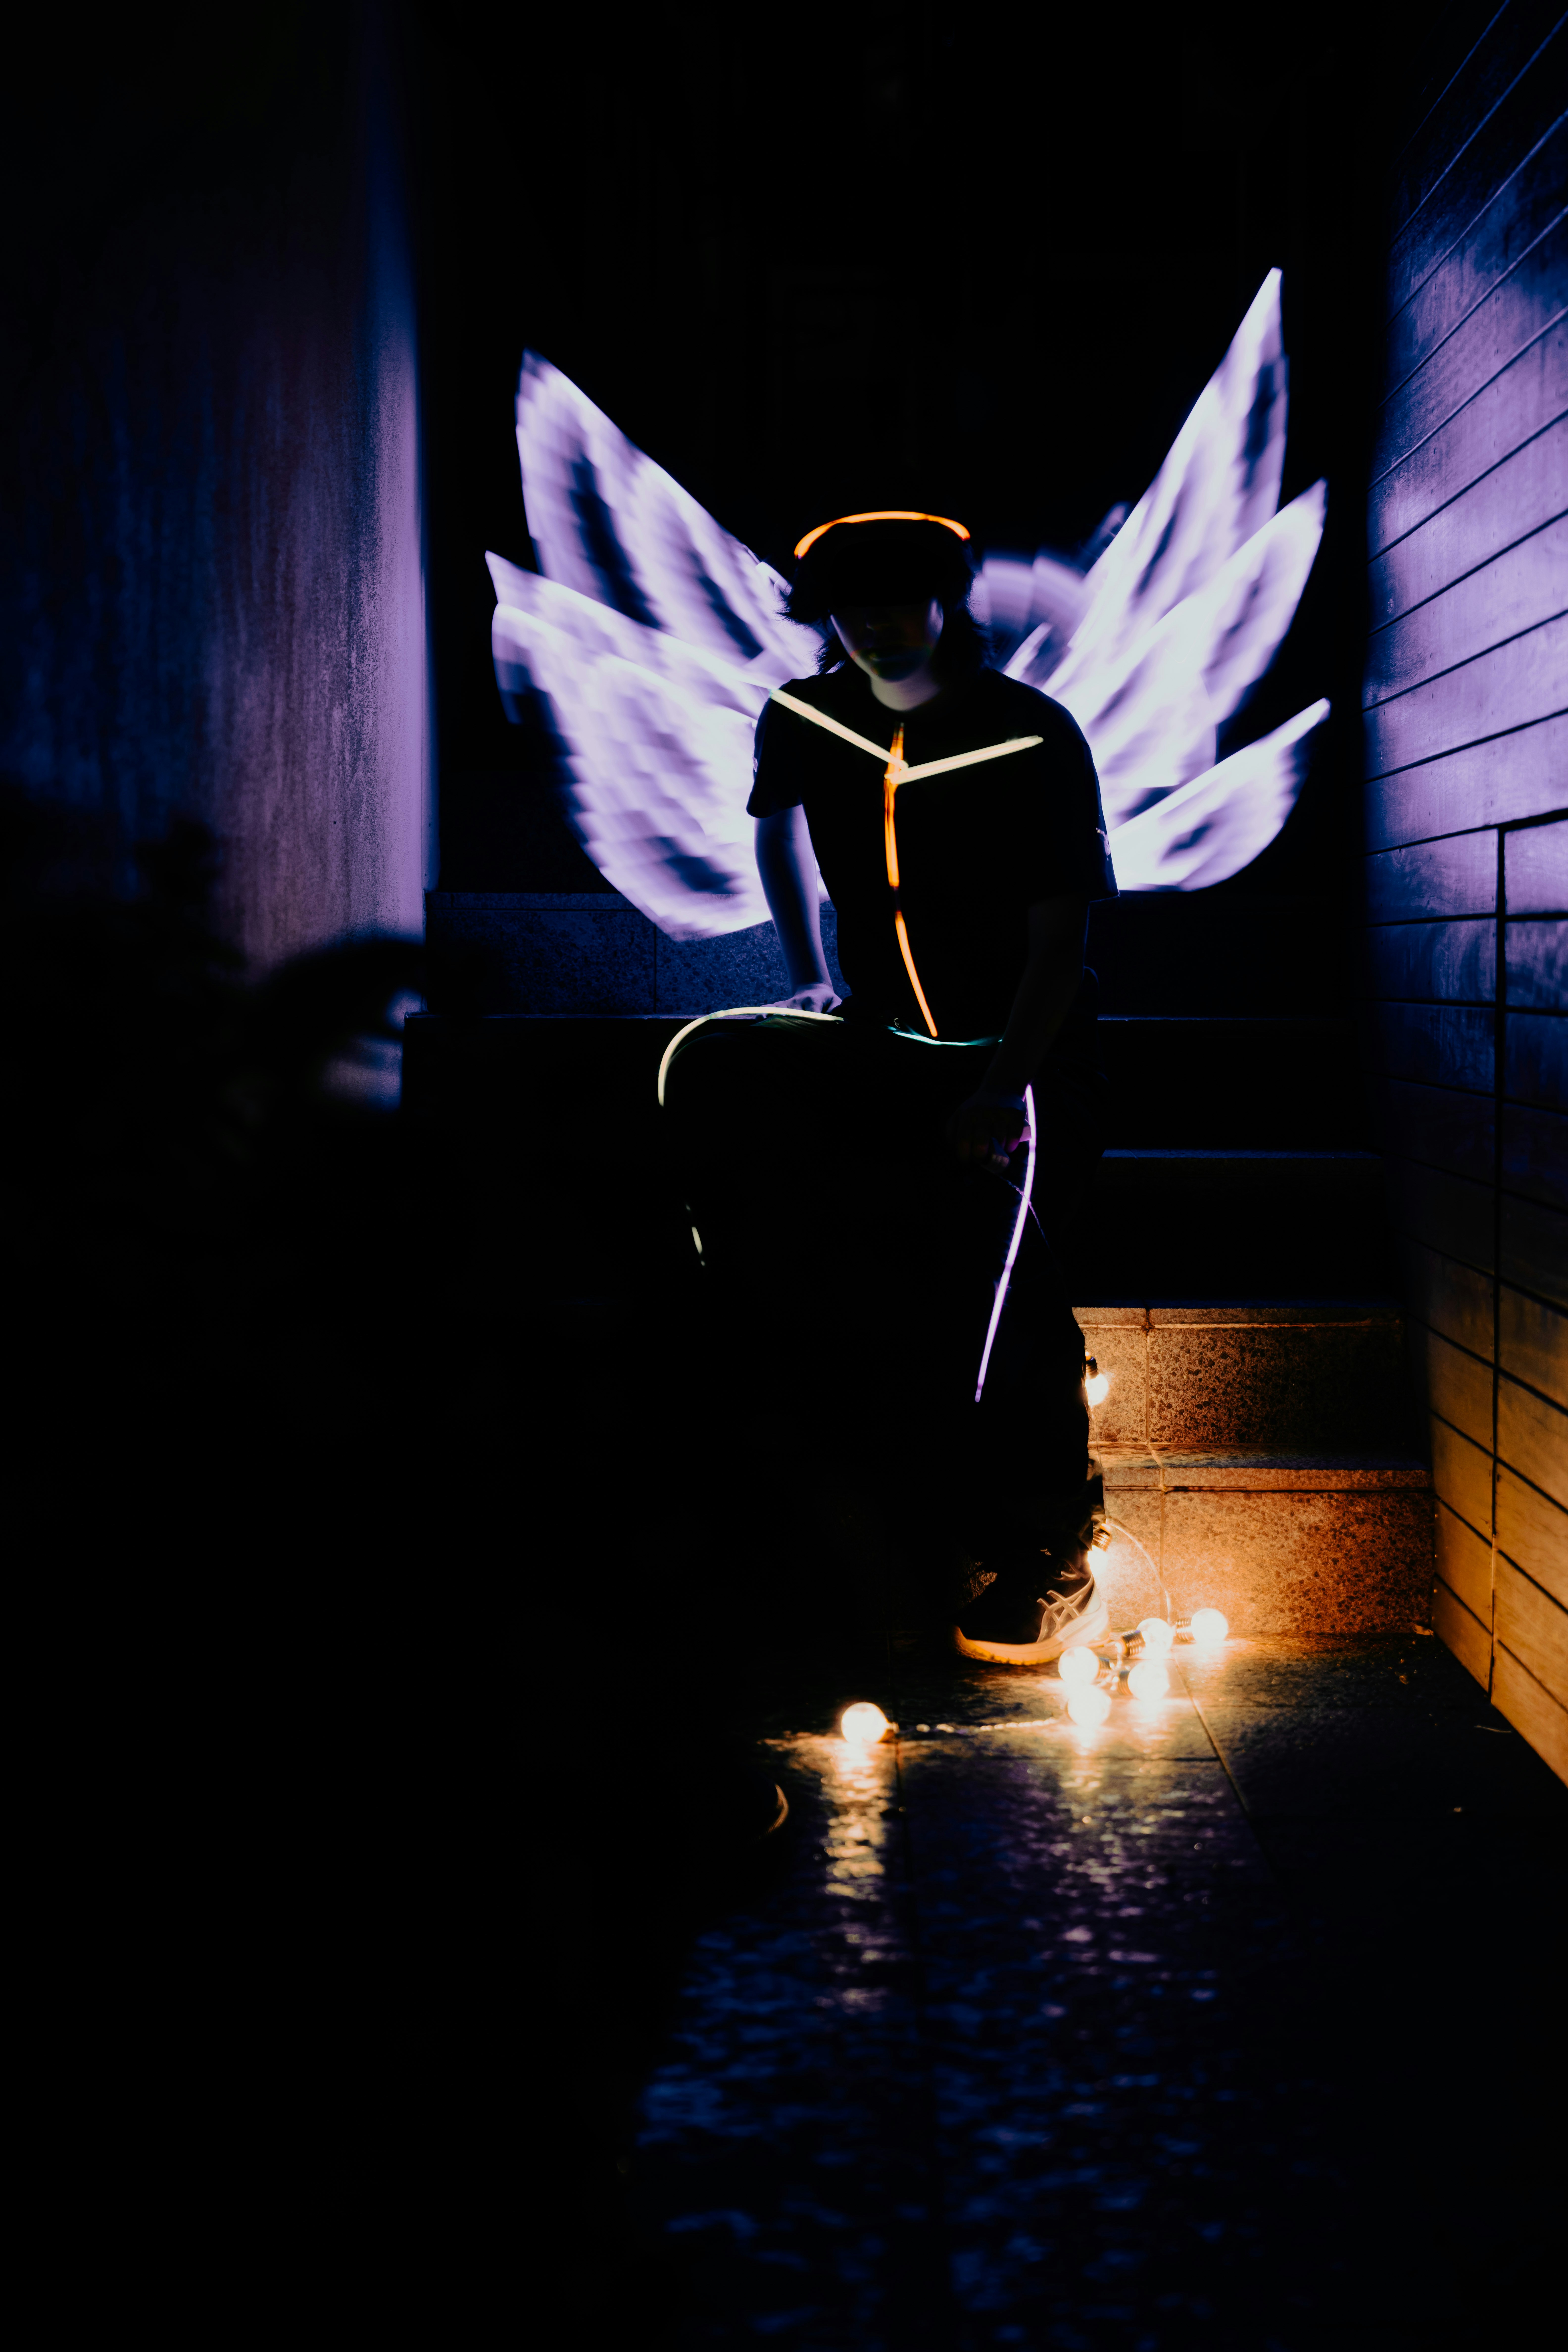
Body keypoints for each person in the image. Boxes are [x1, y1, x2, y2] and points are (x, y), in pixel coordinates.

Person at [662, 512, 1118, 1663]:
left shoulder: (1028, 734)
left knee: (1003, 1266)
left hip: (1022, 1046)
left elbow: (1063, 936)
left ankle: (1053, 1549)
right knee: (715, 1069)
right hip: (881, 1037)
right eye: (848, 606)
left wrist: (1000, 1087)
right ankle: (819, 1515)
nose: (870, 626)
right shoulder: (809, 718)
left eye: (895, 602)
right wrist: (810, 972)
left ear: (944, 603)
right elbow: (778, 834)